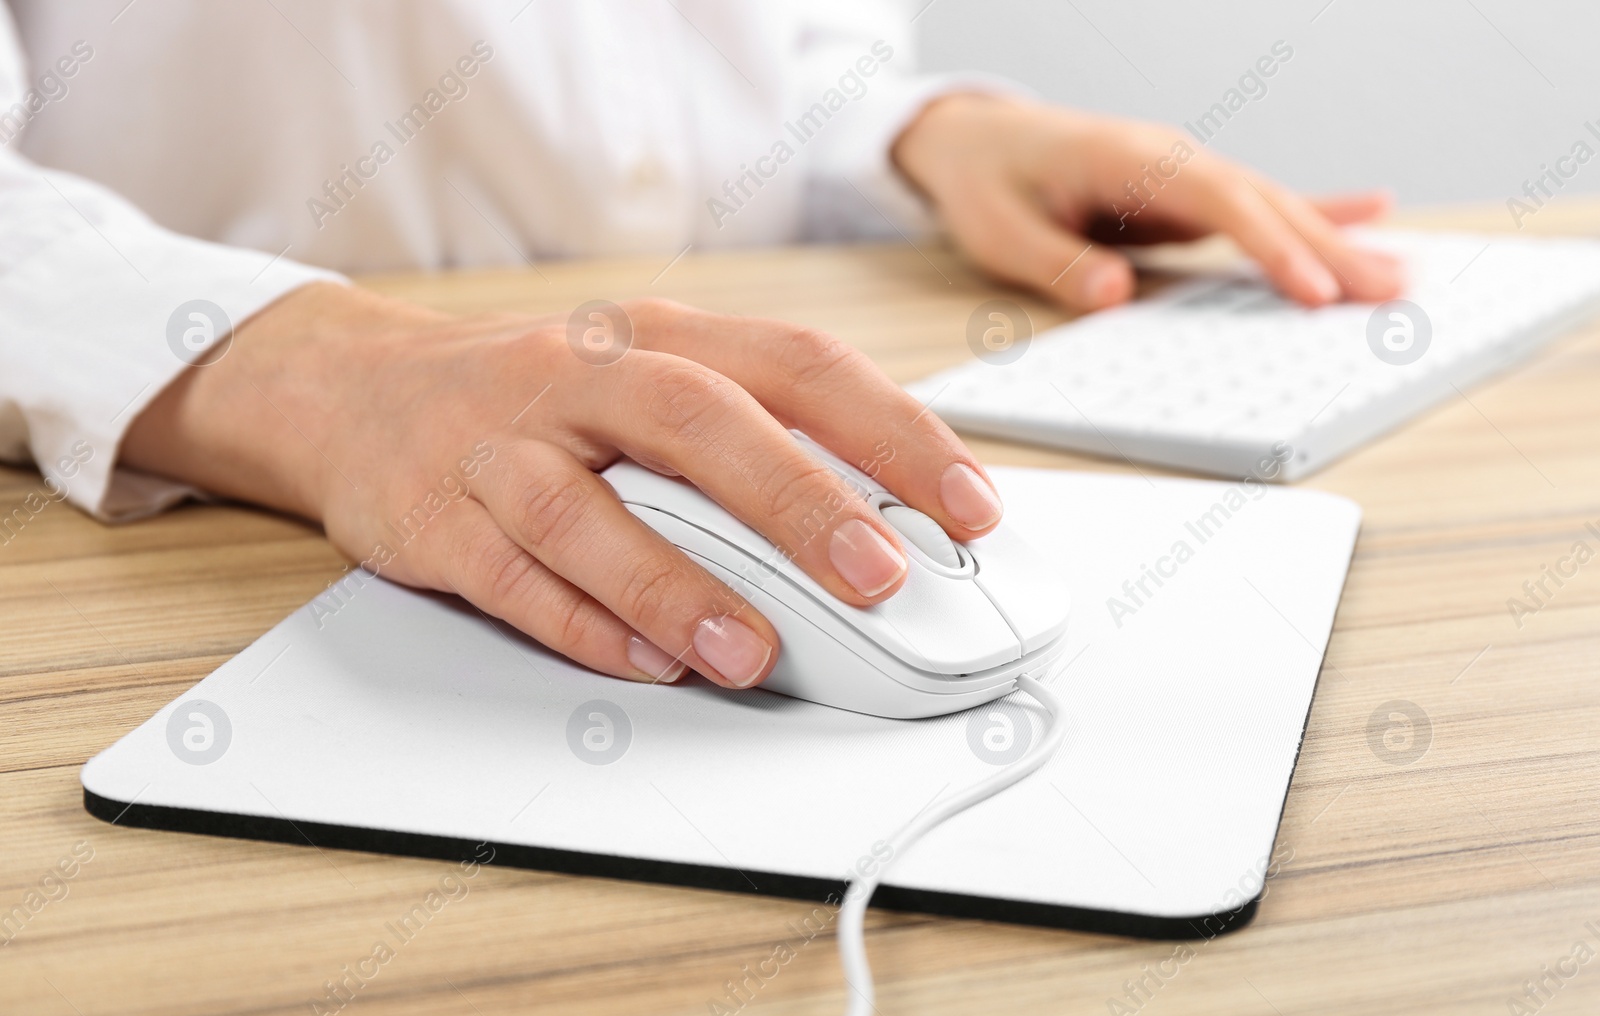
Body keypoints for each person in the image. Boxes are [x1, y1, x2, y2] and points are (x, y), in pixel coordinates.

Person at [0, 1, 1402, 692]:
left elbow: (757, 57)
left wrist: (922, 135)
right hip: (180, 532)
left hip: (714, 375)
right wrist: (331, 378)